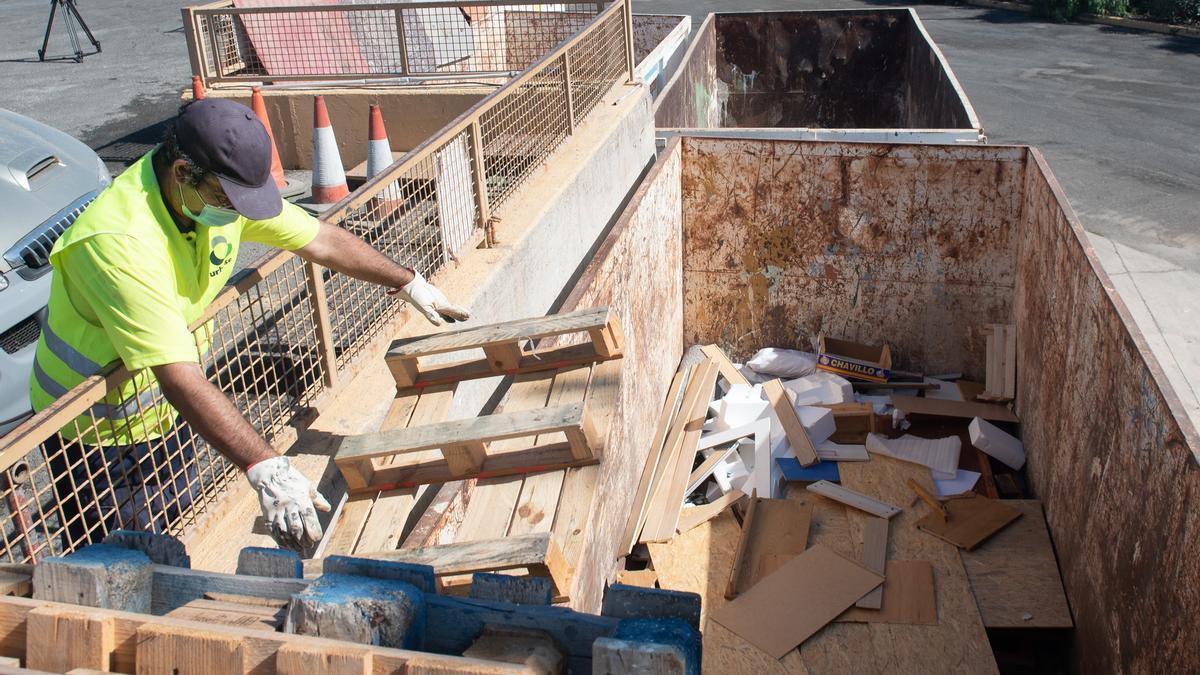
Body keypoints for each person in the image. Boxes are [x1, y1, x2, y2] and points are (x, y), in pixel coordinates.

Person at [29, 99, 469, 550]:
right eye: (229, 202)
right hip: (95, 435)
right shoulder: (119, 243)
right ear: (182, 172)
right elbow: (180, 378)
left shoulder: (210, 194)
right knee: (125, 556)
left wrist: (408, 282)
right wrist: (266, 468)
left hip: (165, 412)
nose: (238, 214)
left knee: (173, 521)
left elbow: (322, 240)